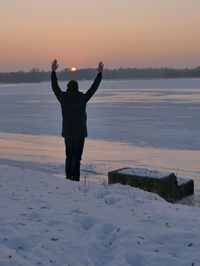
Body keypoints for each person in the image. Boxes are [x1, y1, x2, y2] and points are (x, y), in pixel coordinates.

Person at [51, 59, 104, 181]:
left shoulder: (63, 98)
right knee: (77, 158)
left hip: (68, 133)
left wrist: (53, 72)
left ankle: (68, 177)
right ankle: (75, 179)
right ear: (77, 88)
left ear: (68, 88)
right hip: (79, 133)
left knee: (69, 157)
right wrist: (100, 74)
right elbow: (93, 89)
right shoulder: (82, 98)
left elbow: (55, 87)